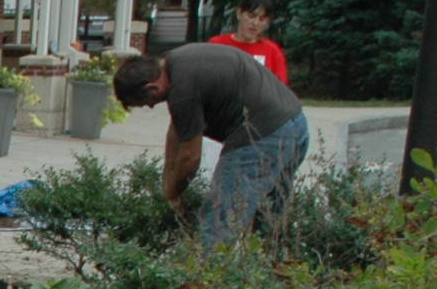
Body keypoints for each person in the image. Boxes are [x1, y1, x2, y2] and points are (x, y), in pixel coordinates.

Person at [113, 44, 308, 246]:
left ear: (152, 87)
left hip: (262, 137)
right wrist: (167, 184)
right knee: (267, 219)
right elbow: (178, 129)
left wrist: (173, 195)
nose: (152, 105)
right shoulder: (177, 61)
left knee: (220, 222)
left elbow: (190, 158)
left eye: (148, 101)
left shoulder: (183, 89)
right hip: (295, 125)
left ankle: (208, 266)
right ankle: (271, 262)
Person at [206, 0, 288, 84]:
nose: (255, 23)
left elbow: (280, 88)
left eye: (262, 19)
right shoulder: (217, 45)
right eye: (251, 16)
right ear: (239, 13)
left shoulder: (272, 51)